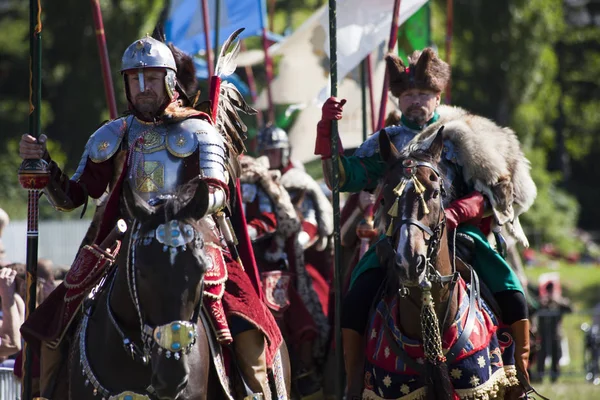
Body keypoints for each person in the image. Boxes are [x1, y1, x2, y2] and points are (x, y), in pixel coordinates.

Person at [18, 35, 279, 399]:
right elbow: (73, 196)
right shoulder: (112, 135)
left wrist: (183, 210)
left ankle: (257, 390)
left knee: (246, 317)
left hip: (191, 236)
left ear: (170, 81)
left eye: (152, 78)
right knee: (53, 320)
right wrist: (43, 166)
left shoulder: (199, 130)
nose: (142, 88)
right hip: (124, 239)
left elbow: (218, 192)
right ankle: (47, 390)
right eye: (134, 79)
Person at [314, 48, 534, 395]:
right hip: (400, 235)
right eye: (408, 95)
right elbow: (343, 178)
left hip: (461, 237)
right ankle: (355, 381)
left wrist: (457, 212)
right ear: (398, 100)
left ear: (437, 97)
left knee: (511, 292)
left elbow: (496, 192)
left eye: (423, 95)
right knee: (356, 297)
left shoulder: (466, 140)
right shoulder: (384, 144)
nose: (415, 101)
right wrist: (327, 133)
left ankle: (518, 375)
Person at [240, 154, 322, 398]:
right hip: (226, 256)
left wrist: (249, 231)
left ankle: (302, 369)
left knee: (292, 314)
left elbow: (273, 219)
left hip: (261, 259)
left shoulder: (256, 184)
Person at [534, 281, 572, 383]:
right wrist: (542, 302)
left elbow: (570, 309)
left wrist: (557, 300)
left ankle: (554, 377)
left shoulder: (559, 301)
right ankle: (540, 376)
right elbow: (532, 308)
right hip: (543, 334)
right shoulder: (542, 301)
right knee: (542, 356)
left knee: (556, 356)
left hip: (556, 334)